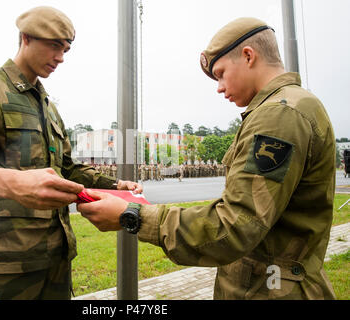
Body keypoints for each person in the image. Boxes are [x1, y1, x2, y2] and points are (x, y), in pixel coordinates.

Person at [77, 17, 337, 300]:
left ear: (249, 55)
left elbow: (234, 226)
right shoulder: (287, 107)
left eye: (221, 73)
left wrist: (134, 216)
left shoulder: (279, 115)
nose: (219, 87)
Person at [0, 6, 142, 300]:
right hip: (0, 266)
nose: (61, 57)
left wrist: (117, 187)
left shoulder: (48, 107)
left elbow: (67, 169)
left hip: (55, 259)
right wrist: (12, 182)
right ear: (26, 38)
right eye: (54, 46)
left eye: (65, 49)